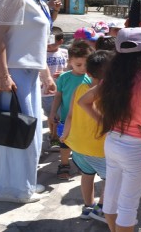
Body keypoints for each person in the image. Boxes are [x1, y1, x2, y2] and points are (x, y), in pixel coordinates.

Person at [0, 0, 62, 203]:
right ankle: (13, 190)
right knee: (14, 133)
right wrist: (2, 75)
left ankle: (19, 185)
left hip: (26, 75)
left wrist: (46, 76)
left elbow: (34, 44)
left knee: (24, 133)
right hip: (12, 74)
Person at [78, 27, 141, 232]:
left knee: (112, 201)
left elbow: (84, 101)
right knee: (128, 207)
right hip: (136, 149)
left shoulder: (112, 79)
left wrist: (105, 123)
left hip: (112, 143)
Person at [61, 50, 113, 223]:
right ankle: (102, 210)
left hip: (77, 146)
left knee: (87, 175)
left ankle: (88, 207)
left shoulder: (80, 88)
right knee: (109, 179)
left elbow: (69, 115)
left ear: (88, 73)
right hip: (98, 149)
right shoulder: (108, 94)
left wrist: (65, 135)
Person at [49, 40, 93, 180]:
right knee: (65, 142)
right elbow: (58, 97)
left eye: (86, 64)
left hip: (85, 119)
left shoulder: (91, 79)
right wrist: (52, 112)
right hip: (65, 118)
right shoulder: (64, 78)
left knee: (83, 142)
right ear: (70, 62)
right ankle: (64, 164)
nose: (82, 68)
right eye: (78, 65)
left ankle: (83, 164)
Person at [43, 26, 69, 152]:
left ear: (60, 42)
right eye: (46, 43)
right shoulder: (41, 54)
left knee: (59, 115)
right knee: (51, 115)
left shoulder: (64, 52)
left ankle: (56, 136)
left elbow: (69, 67)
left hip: (62, 90)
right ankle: (52, 135)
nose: (48, 46)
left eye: (51, 44)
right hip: (46, 92)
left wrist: (64, 72)